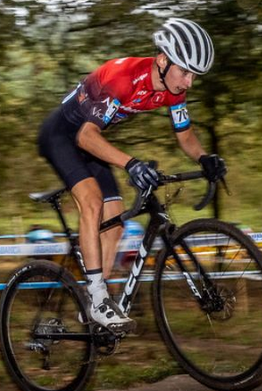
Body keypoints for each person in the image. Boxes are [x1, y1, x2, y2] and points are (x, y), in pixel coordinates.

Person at [37, 17, 228, 334]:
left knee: (115, 223)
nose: (189, 82)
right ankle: (98, 299)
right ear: (164, 60)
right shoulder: (123, 78)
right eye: (185, 71)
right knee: (93, 202)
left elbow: (185, 136)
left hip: (89, 140)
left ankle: (93, 302)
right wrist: (131, 164)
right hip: (62, 135)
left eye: (194, 74)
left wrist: (205, 157)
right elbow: (85, 136)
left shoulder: (172, 89)